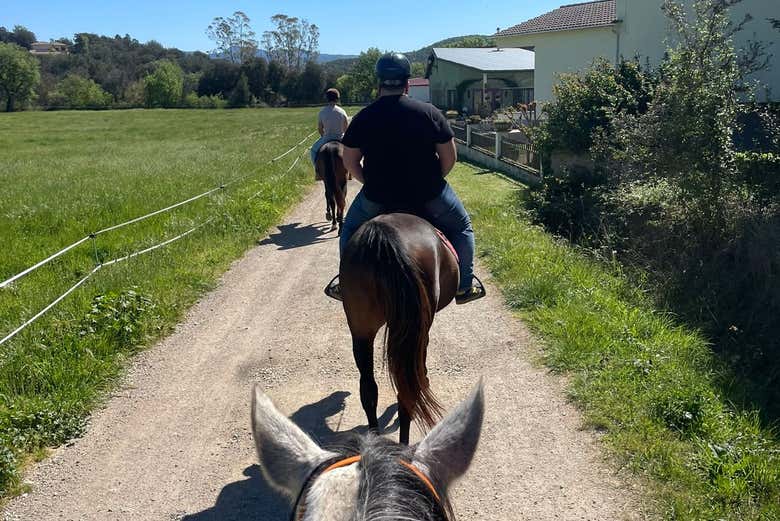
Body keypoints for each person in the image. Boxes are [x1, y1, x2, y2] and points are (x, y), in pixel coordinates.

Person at [326, 52, 485, 305]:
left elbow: (350, 161)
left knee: (350, 230)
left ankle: (345, 284)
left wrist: (369, 182)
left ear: (378, 83)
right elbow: (449, 156)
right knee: (462, 227)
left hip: (378, 195)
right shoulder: (429, 113)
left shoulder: (365, 117)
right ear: (407, 83)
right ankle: (465, 286)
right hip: (429, 193)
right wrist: (433, 179)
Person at [310, 88, 349, 175]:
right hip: (340, 138)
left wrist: (323, 136)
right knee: (352, 152)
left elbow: (320, 129)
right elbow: (346, 129)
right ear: (337, 98)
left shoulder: (322, 112)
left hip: (326, 138)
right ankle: (350, 170)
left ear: (327, 98)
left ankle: (318, 170)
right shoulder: (342, 112)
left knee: (312, 151)